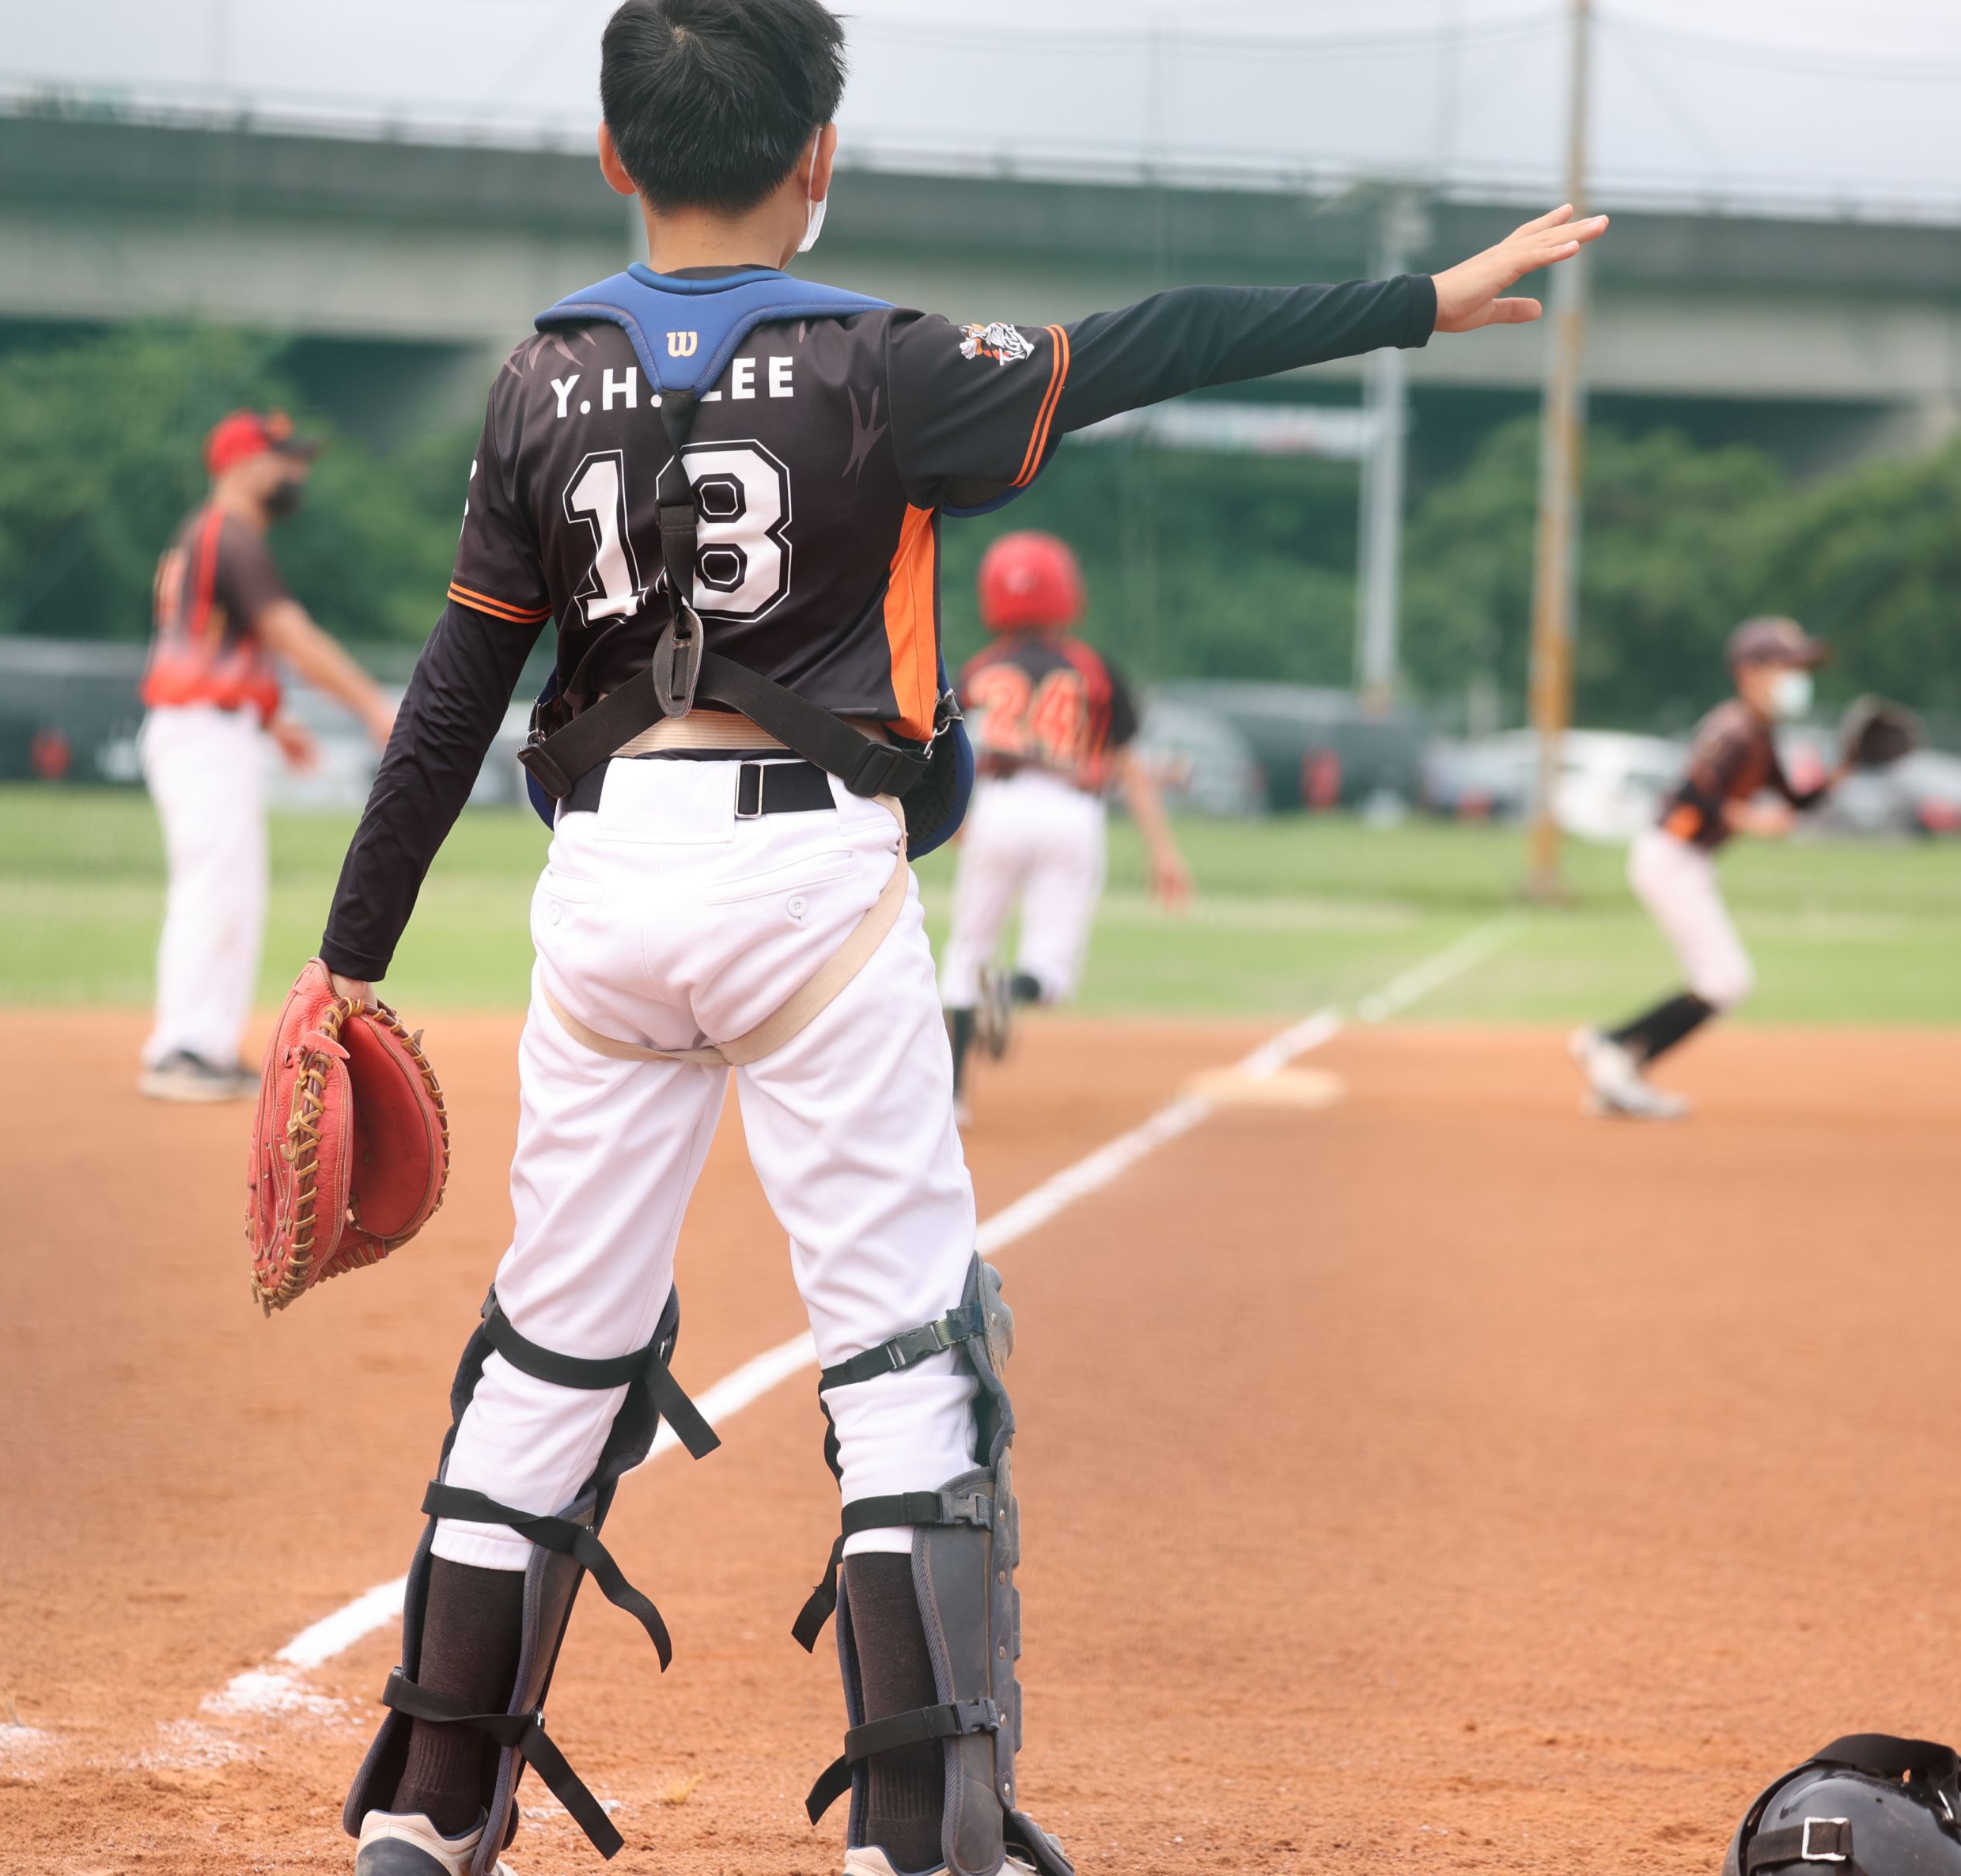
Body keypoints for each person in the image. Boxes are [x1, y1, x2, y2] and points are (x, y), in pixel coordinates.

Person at [309, 3, 1607, 1871]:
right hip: (806, 881)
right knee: (910, 1345)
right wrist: (1416, 298)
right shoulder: (885, 363)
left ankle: (428, 1808)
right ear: (816, 156)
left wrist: (349, 953)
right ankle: (919, 1826)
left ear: (611, 153)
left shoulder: (539, 374)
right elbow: (1159, 340)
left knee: (553, 1344)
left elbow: (453, 693)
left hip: (603, 884)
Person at [137, 408, 397, 1102]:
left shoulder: (211, 535)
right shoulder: (229, 536)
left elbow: (212, 643)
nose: (295, 471)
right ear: (244, 464)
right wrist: (372, 706)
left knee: (231, 893)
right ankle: (182, 1046)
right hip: (202, 732)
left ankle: (208, 1043)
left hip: (211, 726)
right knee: (211, 891)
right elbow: (292, 636)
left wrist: (273, 716)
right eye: (284, 458)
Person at [938, 532, 1189, 1120]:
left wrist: (954, 822)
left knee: (968, 949)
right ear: (1065, 592)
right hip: (1073, 811)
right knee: (1051, 968)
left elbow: (949, 754)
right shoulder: (1092, 670)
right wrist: (1163, 852)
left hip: (998, 808)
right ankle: (1016, 988)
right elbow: (1127, 767)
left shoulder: (977, 670)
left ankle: (953, 1097)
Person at [1569, 616, 1848, 1121]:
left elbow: (1795, 802)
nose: (1798, 679)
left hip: (1685, 862)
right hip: (1669, 857)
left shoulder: (1761, 734)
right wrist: (1749, 819)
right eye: (1786, 667)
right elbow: (1694, 792)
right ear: (1749, 673)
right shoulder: (1734, 728)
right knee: (1725, 978)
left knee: (1723, 979)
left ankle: (1618, 1057)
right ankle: (1613, 1048)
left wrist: (1846, 767)